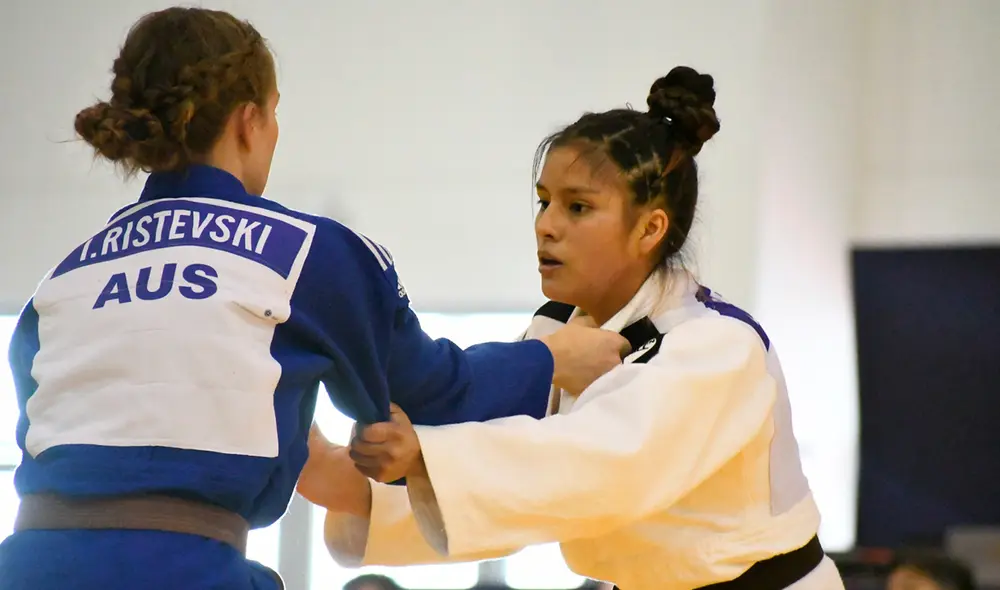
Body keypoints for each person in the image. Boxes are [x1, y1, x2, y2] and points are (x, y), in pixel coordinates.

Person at [0, 7, 628, 590]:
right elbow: (435, 392)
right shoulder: (305, 251)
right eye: (274, 114)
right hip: (184, 569)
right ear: (250, 121)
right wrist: (551, 359)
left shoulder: (61, 280)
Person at [301, 66, 847, 590]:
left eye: (578, 207)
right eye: (544, 202)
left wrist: (423, 455)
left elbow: (594, 468)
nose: (546, 225)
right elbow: (519, 480)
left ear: (650, 228)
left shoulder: (717, 345)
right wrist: (359, 490)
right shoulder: (558, 330)